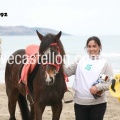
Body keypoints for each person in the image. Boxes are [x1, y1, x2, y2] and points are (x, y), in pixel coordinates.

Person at [64, 36, 113, 120]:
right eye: (89, 46)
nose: (91, 49)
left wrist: (97, 87)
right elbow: (66, 72)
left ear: (99, 47)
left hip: (98, 105)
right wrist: (58, 59)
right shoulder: (80, 61)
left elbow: (110, 82)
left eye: (94, 46)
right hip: (80, 104)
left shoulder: (104, 64)